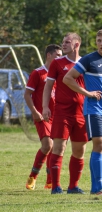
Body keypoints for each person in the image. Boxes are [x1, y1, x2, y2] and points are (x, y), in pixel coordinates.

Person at [63, 29, 102, 196]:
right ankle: (96, 187)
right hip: (93, 110)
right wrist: (87, 93)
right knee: (98, 145)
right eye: (99, 40)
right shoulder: (89, 60)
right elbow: (68, 78)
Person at [42, 32, 88, 194]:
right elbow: (48, 86)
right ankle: (55, 187)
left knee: (79, 151)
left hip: (82, 113)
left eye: (67, 42)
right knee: (58, 148)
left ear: (76, 44)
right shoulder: (57, 63)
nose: (64, 44)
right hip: (62, 113)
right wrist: (45, 107)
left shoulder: (85, 62)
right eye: (63, 42)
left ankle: (73, 186)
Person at [24, 44, 62, 190]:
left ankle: (50, 182)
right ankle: (33, 177)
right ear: (49, 55)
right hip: (42, 116)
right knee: (48, 145)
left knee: (55, 148)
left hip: (57, 117)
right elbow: (27, 94)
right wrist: (35, 112)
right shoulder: (38, 73)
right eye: (57, 55)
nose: (60, 58)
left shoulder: (60, 74)